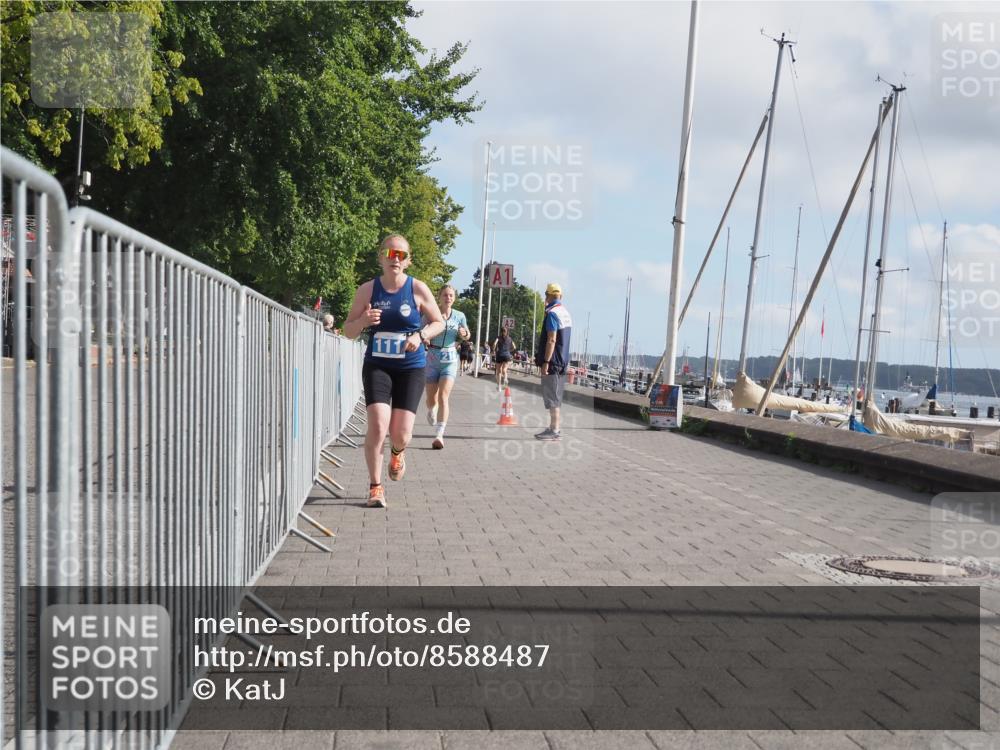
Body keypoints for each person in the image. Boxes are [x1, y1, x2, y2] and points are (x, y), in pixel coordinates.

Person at [342, 234, 444, 508]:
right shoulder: (367, 290)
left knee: (401, 433)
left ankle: (398, 453)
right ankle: (375, 487)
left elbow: (439, 323)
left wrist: (420, 335)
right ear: (381, 258)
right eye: (390, 254)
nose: (395, 259)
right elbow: (348, 331)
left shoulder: (418, 289)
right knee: (377, 425)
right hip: (378, 364)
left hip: (410, 367)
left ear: (407, 260)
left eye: (400, 255)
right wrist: (363, 321)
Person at [423, 285, 469, 449]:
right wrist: (425, 337)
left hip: (450, 359)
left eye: (451, 295)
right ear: (439, 297)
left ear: (454, 298)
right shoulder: (431, 313)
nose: (448, 298)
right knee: (431, 399)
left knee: (443, 396)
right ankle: (431, 409)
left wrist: (464, 334)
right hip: (432, 358)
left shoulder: (460, 316)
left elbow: (467, 334)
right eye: (445, 295)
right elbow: (421, 330)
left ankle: (439, 435)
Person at [534, 282, 572, 441]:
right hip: (563, 360)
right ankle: (553, 427)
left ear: (547, 296)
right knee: (556, 395)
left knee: (552, 397)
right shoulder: (565, 313)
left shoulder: (552, 314)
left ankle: (554, 429)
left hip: (553, 361)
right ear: (561, 296)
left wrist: (546, 362)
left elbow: (551, 339)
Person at [492, 326, 515, 391]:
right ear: (507, 331)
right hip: (507, 355)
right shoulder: (510, 339)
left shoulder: (498, 338)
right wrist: (509, 350)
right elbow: (514, 347)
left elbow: (494, 344)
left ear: (501, 331)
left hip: (499, 354)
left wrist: (493, 350)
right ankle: (505, 380)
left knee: (499, 371)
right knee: (504, 369)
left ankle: (499, 387)